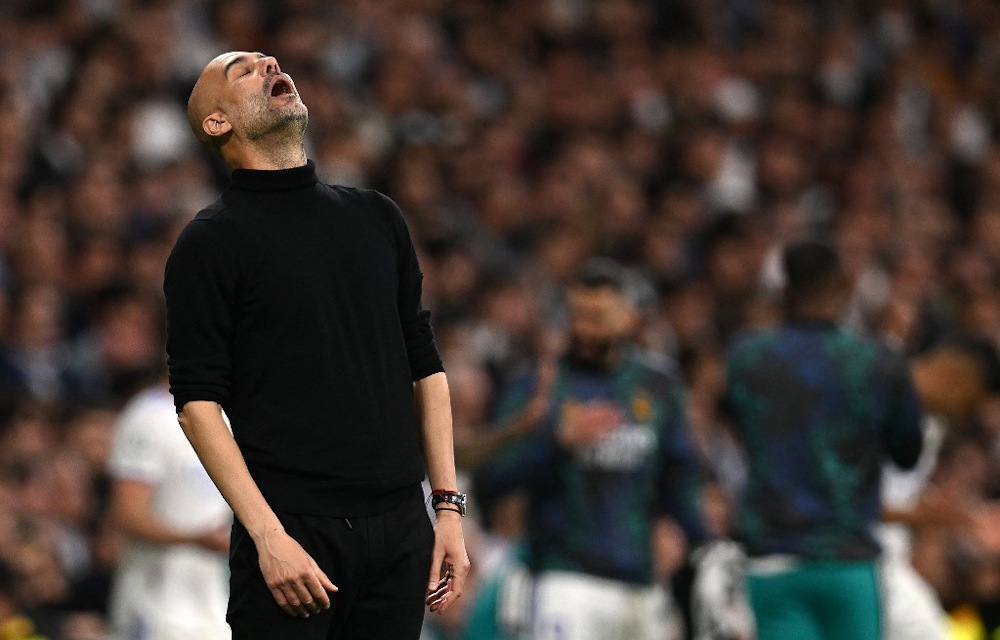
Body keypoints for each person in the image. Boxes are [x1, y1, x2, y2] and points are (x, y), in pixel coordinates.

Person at [163, 51, 470, 640]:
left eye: (266, 60)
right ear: (217, 123)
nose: (269, 62)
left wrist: (447, 511)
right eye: (243, 70)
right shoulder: (209, 243)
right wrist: (269, 537)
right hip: (294, 537)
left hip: (401, 529)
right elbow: (197, 401)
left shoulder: (378, 217)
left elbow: (425, 366)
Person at [474, 258, 707, 640]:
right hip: (564, 580)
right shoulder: (541, 385)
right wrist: (554, 442)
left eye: (597, 318)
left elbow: (680, 476)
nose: (583, 329)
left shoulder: (658, 385)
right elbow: (490, 478)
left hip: (640, 584)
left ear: (630, 319)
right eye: (577, 315)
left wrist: (695, 540)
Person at [724, 239, 923, 640]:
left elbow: (739, 428)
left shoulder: (747, 357)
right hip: (847, 561)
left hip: (773, 560)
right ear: (846, 282)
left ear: (784, 289)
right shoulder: (878, 362)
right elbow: (907, 454)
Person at [107, 376, 232, 640]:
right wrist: (195, 539)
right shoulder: (148, 416)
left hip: (213, 605)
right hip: (155, 606)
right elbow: (128, 515)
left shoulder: (227, 417)